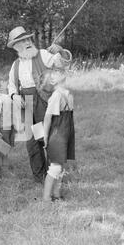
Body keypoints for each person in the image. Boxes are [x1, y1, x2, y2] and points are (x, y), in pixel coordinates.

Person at [7, 26, 72, 183]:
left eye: (28, 39)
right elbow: (11, 85)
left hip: (44, 100)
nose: (27, 42)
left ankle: (54, 175)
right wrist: (14, 95)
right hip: (26, 104)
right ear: (16, 46)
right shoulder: (15, 65)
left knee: (49, 137)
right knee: (32, 141)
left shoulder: (43, 54)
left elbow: (62, 63)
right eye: (22, 41)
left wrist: (60, 50)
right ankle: (40, 176)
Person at [42, 70, 75, 202]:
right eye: (54, 73)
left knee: (61, 167)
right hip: (57, 135)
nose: (58, 72)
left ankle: (56, 194)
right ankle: (46, 198)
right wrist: (45, 137)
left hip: (65, 134)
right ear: (52, 81)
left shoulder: (68, 94)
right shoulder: (56, 96)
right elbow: (48, 117)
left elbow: (68, 117)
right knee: (55, 167)